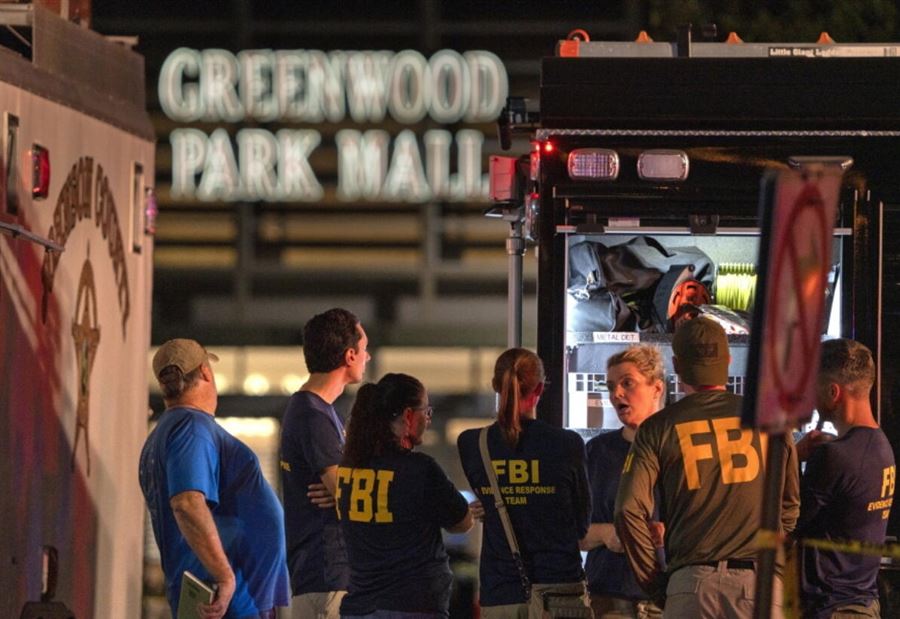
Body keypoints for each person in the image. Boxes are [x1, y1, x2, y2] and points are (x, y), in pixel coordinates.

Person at [615, 317, 800, 619]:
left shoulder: (657, 428)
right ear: (728, 360)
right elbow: (789, 507)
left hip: (691, 584)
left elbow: (627, 510)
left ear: (677, 365)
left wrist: (658, 584)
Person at [139, 338, 289, 619]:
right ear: (205, 372)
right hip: (226, 600)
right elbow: (186, 503)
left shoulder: (165, 433)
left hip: (225, 598)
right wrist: (224, 577)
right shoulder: (191, 427)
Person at [457, 348, 591, 618]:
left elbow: (488, 501)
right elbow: (581, 525)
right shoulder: (567, 444)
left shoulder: (472, 444)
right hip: (559, 591)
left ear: (495, 385)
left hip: (500, 594)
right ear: (540, 388)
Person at [336, 373, 474, 617]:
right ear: (409, 415)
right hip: (413, 604)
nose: (428, 420)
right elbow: (462, 522)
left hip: (360, 606)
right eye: (426, 412)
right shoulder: (420, 469)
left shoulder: (348, 470)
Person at [280, 308, 371, 619]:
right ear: (349, 355)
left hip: (327, 578)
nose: (367, 357)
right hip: (326, 577)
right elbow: (350, 495)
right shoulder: (312, 415)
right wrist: (349, 488)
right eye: (364, 349)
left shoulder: (321, 411)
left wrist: (347, 485)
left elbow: (344, 489)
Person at [794, 338, 894, 619]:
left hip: (833, 607)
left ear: (833, 392)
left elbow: (789, 520)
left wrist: (792, 457)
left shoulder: (833, 456)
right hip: (863, 604)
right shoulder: (881, 448)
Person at [581, 345, 666, 619]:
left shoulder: (678, 448)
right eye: (610, 387)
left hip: (669, 598)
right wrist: (606, 534)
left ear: (657, 388)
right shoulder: (597, 452)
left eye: (627, 383)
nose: (616, 393)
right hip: (609, 598)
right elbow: (571, 532)